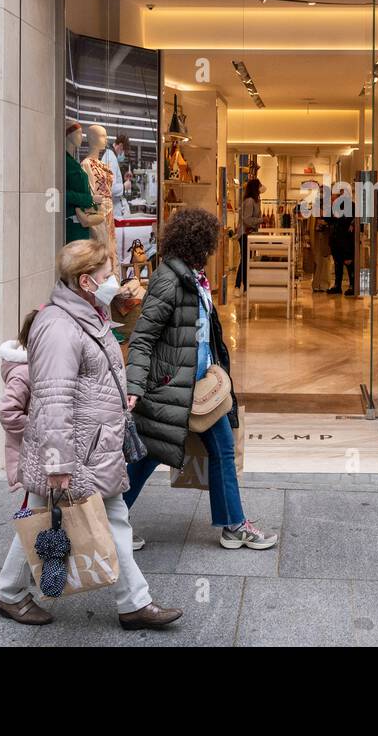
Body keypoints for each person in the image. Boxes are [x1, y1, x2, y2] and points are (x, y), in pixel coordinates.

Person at [0, 239, 183, 629]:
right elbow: (54, 399)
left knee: (105, 516)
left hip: (93, 443)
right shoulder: (59, 326)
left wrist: (119, 396)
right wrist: (58, 462)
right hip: (72, 448)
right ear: (85, 281)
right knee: (45, 515)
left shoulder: (87, 315)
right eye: (106, 275)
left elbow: (89, 378)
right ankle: (11, 594)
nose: (113, 280)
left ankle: (132, 603)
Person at [125, 208, 278, 550]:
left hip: (199, 389)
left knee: (221, 448)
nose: (214, 249)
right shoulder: (169, 280)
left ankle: (233, 524)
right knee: (149, 453)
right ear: (199, 244)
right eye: (211, 243)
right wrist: (134, 386)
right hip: (170, 388)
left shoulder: (194, 278)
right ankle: (109, 521)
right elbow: (144, 337)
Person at [0, 311, 37, 491]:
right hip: (31, 455)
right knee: (40, 505)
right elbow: (7, 412)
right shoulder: (23, 373)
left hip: (38, 454)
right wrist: (39, 428)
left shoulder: (34, 366)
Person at [235, 177, 264, 290]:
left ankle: (244, 286)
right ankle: (239, 285)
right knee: (245, 260)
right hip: (244, 234)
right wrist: (261, 220)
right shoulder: (250, 201)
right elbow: (247, 219)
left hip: (250, 235)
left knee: (247, 260)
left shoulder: (255, 201)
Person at [327, 186, 356, 296]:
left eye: (332, 196)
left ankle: (352, 285)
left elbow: (354, 220)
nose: (331, 198)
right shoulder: (333, 206)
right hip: (335, 239)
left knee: (349, 262)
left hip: (346, 240)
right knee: (338, 263)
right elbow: (329, 219)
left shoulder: (351, 206)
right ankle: (337, 285)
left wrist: (352, 224)